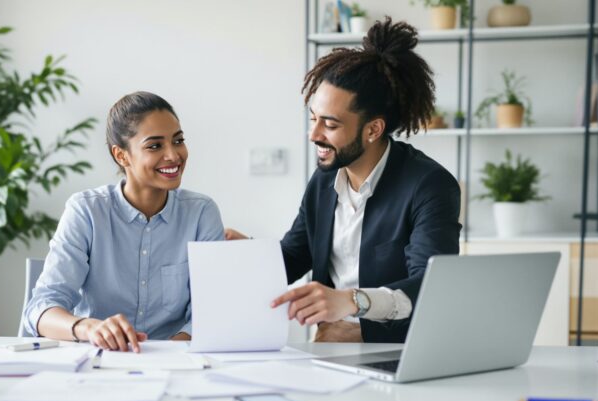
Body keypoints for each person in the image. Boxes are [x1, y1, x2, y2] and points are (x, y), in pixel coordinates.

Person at [227, 18, 461, 343]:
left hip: (397, 351)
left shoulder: (429, 185)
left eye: (330, 125)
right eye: (313, 119)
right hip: (330, 346)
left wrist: (354, 305)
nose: (314, 134)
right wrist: (248, 254)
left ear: (373, 129)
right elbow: (295, 255)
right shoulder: (324, 181)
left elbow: (430, 286)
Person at [24, 91, 224, 352]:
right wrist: (88, 328)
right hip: (97, 358)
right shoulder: (86, 211)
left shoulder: (201, 213)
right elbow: (41, 309)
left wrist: (166, 353)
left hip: (177, 360)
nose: (174, 155)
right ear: (121, 155)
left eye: (178, 141)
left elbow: (212, 310)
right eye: (155, 146)